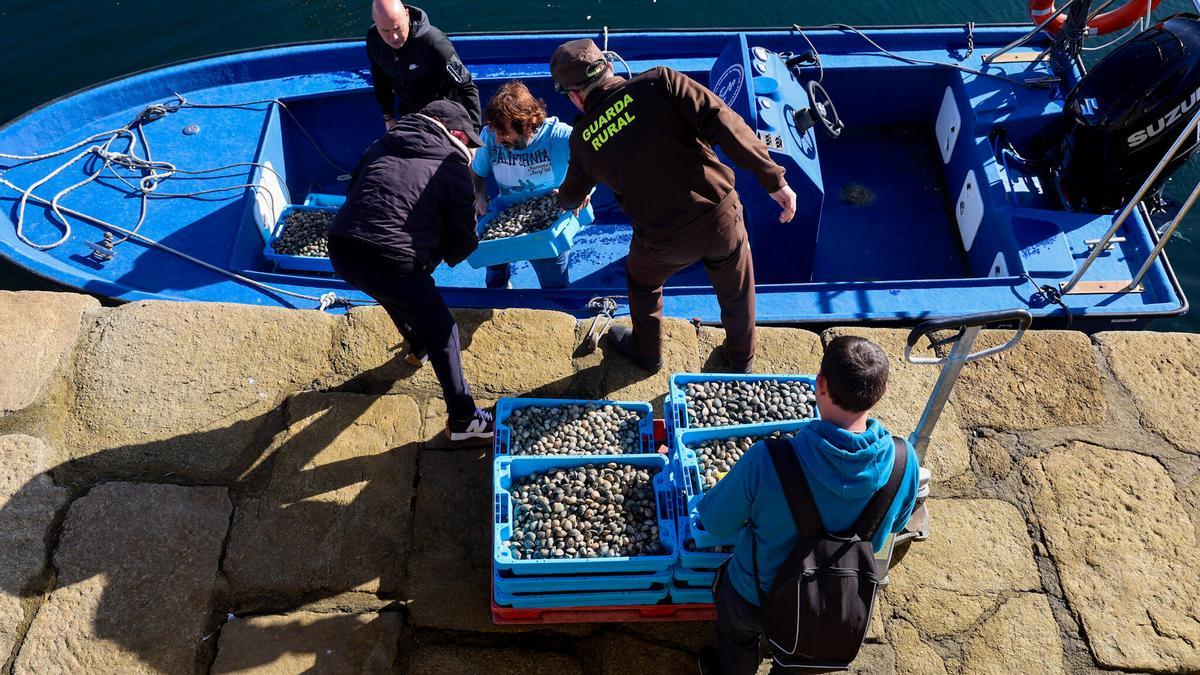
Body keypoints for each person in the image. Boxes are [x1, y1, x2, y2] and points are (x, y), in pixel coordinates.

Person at [551, 39, 797, 374]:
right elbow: (723, 122)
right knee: (737, 289)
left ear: (575, 96)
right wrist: (773, 179)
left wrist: (565, 198)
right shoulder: (661, 81)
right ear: (608, 66)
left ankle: (648, 353)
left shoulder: (582, 139)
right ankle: (741, 360)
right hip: (720, 214)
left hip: (662, 240)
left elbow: (572, 193)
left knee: (642, 282)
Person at [695, 336, 921, 674]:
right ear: (883, 391)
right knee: (801, 660)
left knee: (736, 637)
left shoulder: (768, 460)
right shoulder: (904, 462)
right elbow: (899, 520)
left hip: (753, 594)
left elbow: (715, 523)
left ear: (820, 385)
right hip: (829, 603)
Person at [326, 99, 494, 441]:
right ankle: (464, 420)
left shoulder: (381, 144)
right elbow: (461, 245)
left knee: (388, 290)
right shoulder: (452, 169)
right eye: (470, 143)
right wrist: (452, 246)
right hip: (392, 258)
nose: (472, 152)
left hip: (342, 247)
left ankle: (417, 347)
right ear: (457, 134)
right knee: (444, 329)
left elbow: (355, 190)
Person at [470, 80, 590, 289]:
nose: (497, 140)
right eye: (495, 131)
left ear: (527, 125)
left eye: (504, 133)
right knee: (494, 274)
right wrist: (479, 194)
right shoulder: (489, 135)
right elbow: (477, 171)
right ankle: (500, 296)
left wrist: (583, 189)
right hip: (505, 211)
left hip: (549, 224)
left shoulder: (559, 136)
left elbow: (595, 162)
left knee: (555, 285)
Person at [367, 0, 482, 132]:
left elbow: (466, 87)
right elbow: (379, 77)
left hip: (444, 119)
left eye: (398, 27)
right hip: (410, 116)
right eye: (385, 30)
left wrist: (472, 136)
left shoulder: (434, 43)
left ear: (407, 14)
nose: (393, 36)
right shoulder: (374, 39)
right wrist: (388, 116)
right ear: (375, 22)